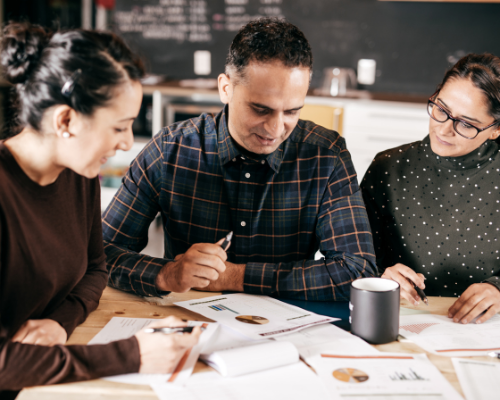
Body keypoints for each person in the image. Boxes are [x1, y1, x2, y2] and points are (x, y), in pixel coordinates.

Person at [102, 17, 377, 302]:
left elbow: (358, 272)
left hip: (290, 335)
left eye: (292, 112)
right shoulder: (169, 150)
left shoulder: (327, 156)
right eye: (260, 109)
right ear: (225, 88)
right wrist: (168, 274)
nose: (274, 129)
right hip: (189, 325)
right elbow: (100, 254)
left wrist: (234, 276)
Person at [0, 22, 200, 398]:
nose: (126, 143)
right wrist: (133, 354)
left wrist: (60, 323)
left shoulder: (77, 173)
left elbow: (96, 268)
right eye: (119, 127)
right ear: (66, 121)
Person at [361, 53, 500, 324]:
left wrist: (498, 288)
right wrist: (380, 275)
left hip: (486, 329)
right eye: (441, 110)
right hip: (400, 321)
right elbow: (353, 258)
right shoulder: (387, 168)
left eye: (466, 124)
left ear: (495, 129)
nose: (444, 129)